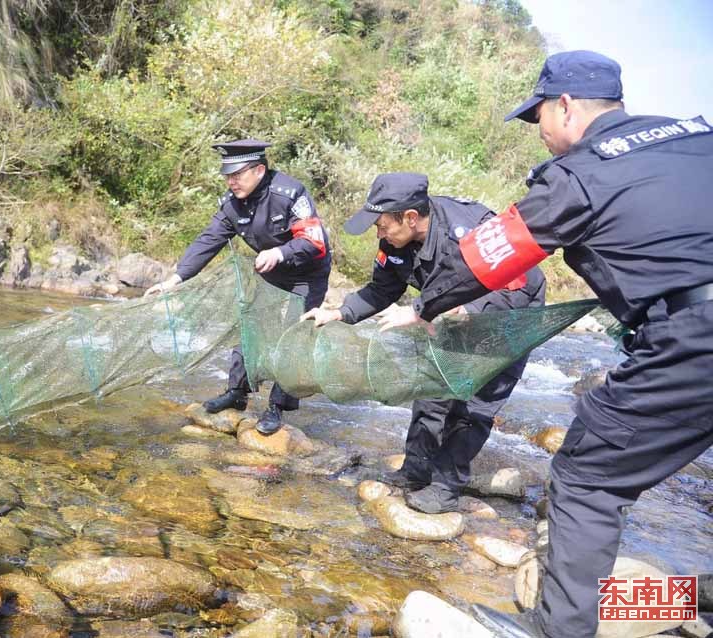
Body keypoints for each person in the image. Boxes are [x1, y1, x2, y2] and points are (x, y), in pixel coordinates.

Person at [377, 51, 713, 638]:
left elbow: (487, 259)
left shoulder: (583, 172)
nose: (542, 135)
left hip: (693, 337)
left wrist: (420, 307)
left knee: (588, 477)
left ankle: (558, 631)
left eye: (539, 120)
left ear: (565, 106)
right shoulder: (696, 138)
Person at [301, 172, 546, 514]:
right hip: (442, 312)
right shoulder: (394, 239)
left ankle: (445, 487)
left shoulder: (473, 230)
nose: (379, 233)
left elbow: (517, 285)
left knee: (473, 404)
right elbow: (382, 290)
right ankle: (415, 472)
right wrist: (340, 312)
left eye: (383, 225)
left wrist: (463, 310)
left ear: (411, 218)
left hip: (509, 313)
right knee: (431, 387)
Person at [145, 139, 331, 435]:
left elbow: (314, 241)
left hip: (305, 272)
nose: (231, 181)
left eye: (237, 175)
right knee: (250, 325)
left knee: (295, 334)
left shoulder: (289, 193)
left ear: (258, 170)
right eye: (227, 176)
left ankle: (277, 406)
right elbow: (209, 240)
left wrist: (280, 252)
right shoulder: (232, 203)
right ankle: (237, 392)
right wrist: (175, 279)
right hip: (269, 270)